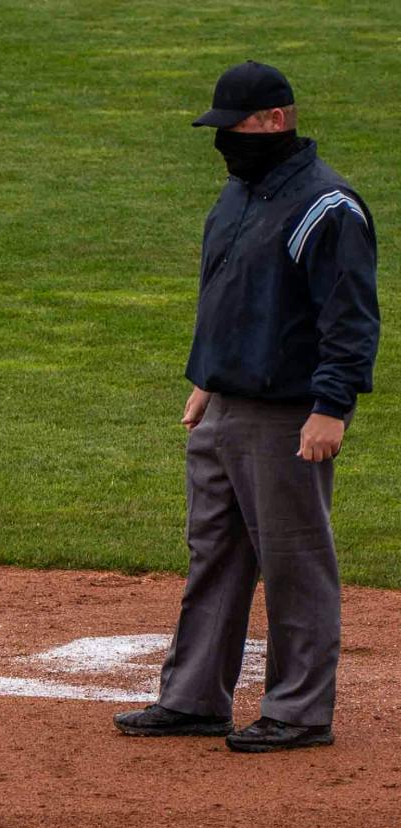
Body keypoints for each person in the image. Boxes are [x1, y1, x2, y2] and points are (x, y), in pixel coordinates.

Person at [116, 61, 379, 752]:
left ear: (274, 121)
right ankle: (194, 696)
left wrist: (332, 406)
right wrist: (207, 377)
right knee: (214, 554)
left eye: (231, 127)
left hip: (288, 414)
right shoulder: (238, 195)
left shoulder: (329, 207)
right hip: (225, 404)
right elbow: (228, 295)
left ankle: (298, 710)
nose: (223, 141)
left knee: (294, 558)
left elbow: (348, 320)